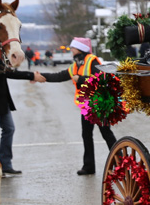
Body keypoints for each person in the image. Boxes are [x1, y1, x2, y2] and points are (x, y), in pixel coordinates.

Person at [39, 37, 117, 175]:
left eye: (73, 48)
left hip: (99, 104)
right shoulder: (76, 64)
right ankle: (89, 166)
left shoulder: (92, 60)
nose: (71, 50)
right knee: (86, 135)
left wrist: (80, 79)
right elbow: (60, 76)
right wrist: (40, 76)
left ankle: (120, 164)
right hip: (87, 105)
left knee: (106, 134)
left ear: (80, 49)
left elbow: (100, 79)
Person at [0, 62, 36, 177]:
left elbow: (8, 70)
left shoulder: (0, 58)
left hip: (2, 101)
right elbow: (9, 73)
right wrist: (31, 75)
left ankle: (5, 164)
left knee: (9, 129)